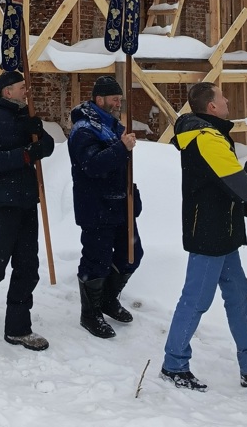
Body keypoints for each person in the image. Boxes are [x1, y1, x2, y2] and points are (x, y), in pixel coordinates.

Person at [161, 82, 247, 391]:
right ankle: (174, 363)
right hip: (209, 235)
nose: (227, 99)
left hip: (223, 232)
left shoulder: (213, 135)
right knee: (196, 299)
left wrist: (246, 209)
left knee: (237, 294)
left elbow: (220, 187)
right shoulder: (206, 139)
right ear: (211, 107)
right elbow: (242, 186)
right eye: (222, 96)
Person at [0, 71, 54, 351]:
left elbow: (47, 147)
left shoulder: (26, 116)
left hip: (26, 201)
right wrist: (26, 153)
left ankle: (18, 328)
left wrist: (38, 131)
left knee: (28, 266)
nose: (27, 91)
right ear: (7, 92)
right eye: (22, 87)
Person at [68, 75, 142, 339]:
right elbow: (93, 165)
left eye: (120, 99)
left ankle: (109, 299)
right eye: (114, 99)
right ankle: (90, 313)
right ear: (99, 99)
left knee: (131, 255)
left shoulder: (113, 126)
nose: (118, 103)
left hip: (120, 205)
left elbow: (122, 168)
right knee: (96, 261)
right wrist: (121, 148)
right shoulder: (84, 130)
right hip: (96, 207)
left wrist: (133, 195)